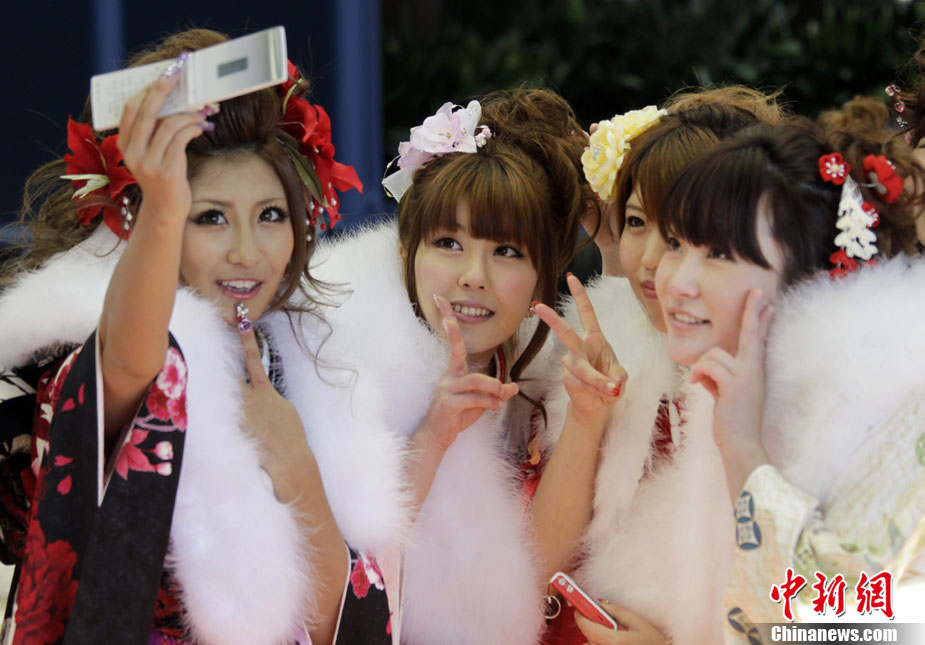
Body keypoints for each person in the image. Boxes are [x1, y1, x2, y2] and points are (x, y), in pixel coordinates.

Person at [0, 28, 404, 645]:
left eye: (271, 215)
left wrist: (296, 465)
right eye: (209, 216)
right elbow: (134, 362)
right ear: (143, 218)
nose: (247, 253)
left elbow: (347, 622)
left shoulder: (309, 366)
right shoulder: (103, 354)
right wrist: (164, 205)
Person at [298, 88, 598, 644]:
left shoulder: (543, 376)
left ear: (542, 273)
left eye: (507, 251)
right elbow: (334, 587)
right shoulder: (333, 363)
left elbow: (533, 584)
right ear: (408, 251)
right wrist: (433, 437)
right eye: (447, 243)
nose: (473, 275)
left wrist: (586, 419)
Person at [528, 88, 786, 645]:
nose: (652, 262)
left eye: (686, 234)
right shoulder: (608, 343)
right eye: (638, 221)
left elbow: (863, 618)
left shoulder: (796, 376)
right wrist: (586, 418)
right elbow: (537, 565)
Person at [654, 120, 924, 641]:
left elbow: (850, 625)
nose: (676, 282)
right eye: (675, 243)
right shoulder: (734, 384)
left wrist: (745, 454)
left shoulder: (885, 406)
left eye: (719, 254)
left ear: (806, 277)